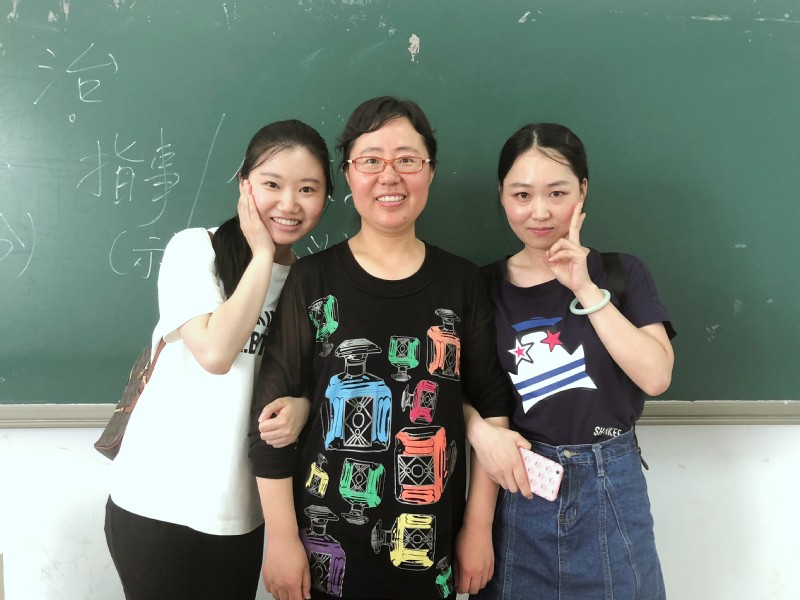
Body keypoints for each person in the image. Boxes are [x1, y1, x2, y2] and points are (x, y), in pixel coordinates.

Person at [248, 96, 513, 600]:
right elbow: (270, 421)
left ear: (430, 172)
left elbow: (492, 401)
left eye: (407, 160)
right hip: (322, 546)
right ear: (348, 174)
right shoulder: (311, 279)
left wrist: (478, 527)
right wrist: (280, 538)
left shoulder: (461, 281)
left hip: (432, 545)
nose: (389, 176)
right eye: (370, 160)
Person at [104, 119, 334, 600]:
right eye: (272, 185)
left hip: (241, 512)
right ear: (243, 184)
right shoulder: (195, 249)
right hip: (155, 502)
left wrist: (304, 406)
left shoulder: (312, 283)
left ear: (327, 197)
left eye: (307, 189)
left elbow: (314, 382)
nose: (289, 204)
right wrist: (263, 256)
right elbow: (215, 352)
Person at [469, 123, 676, 600]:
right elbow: (453, 388)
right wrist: (479, 432)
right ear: (502, 195)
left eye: (557, 193)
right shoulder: (480, 287)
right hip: (520, 486)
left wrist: (583, 286)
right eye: (522, 194)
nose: (539, 211)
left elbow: (656, 376)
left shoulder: (620, 272)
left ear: (582, 191)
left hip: (611, 485)